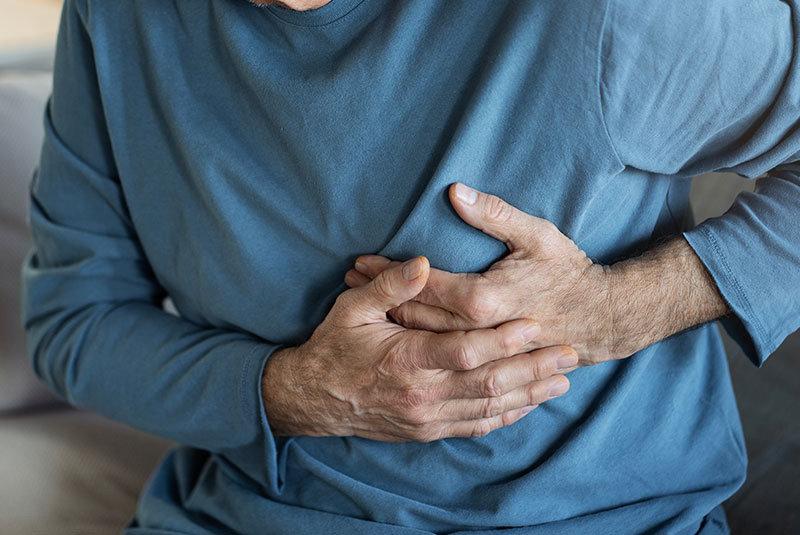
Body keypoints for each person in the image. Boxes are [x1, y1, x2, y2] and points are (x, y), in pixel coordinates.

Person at [21, 0, 800, 533]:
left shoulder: (600, 15)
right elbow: (73, 320)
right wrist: (291, 392)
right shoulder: (116, 18)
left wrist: (623, 306)